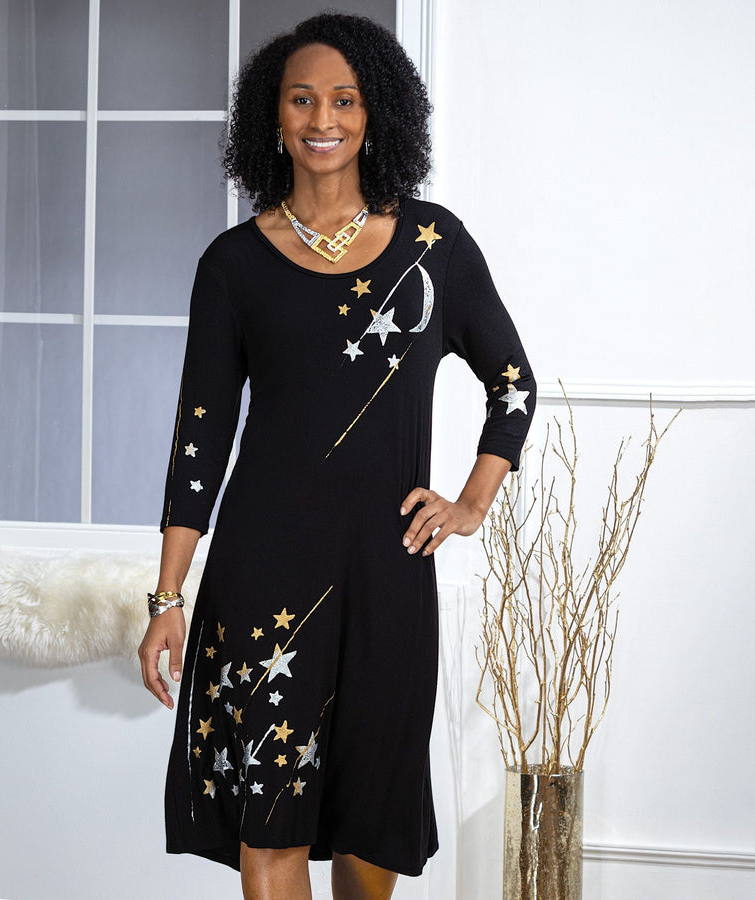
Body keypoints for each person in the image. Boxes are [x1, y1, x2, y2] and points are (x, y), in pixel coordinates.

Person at [138, 13, 536, 900]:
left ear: (376, 112)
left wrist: (471, 503)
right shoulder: (233, 265)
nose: (323, 119)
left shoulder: (433, 247)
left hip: (386, 576)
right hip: (261, 579)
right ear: (271, 116)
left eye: (345, 100)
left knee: (371, 817)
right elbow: (199, 439)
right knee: (269, 819)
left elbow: (513, 384)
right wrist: (167, 597)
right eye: (302, 99)